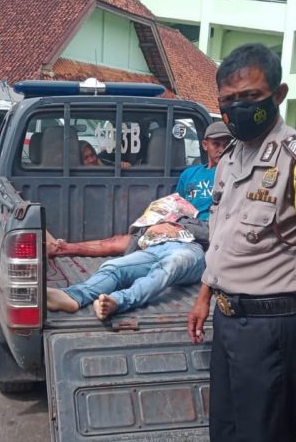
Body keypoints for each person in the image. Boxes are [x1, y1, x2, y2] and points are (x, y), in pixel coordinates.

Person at [187, 43, 296, 442]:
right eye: (229, 100)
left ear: (278, 95)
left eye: (251, 97)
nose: (239, 108)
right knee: (224, 430)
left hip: (273, 328)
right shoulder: (230, 158)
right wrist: (205, 294)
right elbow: (223, 235)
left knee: (263, 434)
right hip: (228, 321)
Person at [47, 122, 232, 320]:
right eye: (216, 144)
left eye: (226, 144)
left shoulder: (234, 176)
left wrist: (181, 227)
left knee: (171, 265)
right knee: (115, 267)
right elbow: (176, 205)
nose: (221, 149)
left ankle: (119, 301)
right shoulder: (190, 174)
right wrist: (158, 225)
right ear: (205, 145)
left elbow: (228, 225)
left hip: (197, 247)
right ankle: (74, 297)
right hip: (164, 240)